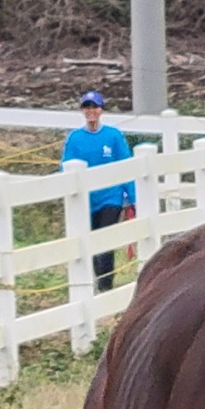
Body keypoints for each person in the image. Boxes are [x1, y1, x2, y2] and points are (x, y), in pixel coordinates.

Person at [61, 90, 136, 291]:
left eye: (94, 107)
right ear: (82, 111)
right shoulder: (75, 138)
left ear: (101, 110)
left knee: (105, 240)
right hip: (87, 200)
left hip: (111, 198)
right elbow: (66, 167)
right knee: (91, 243)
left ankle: (105, 285)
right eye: (87, 107)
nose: (91, 111)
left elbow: (126, 165)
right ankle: (98, 280)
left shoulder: (113, 136)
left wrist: (132, 196)